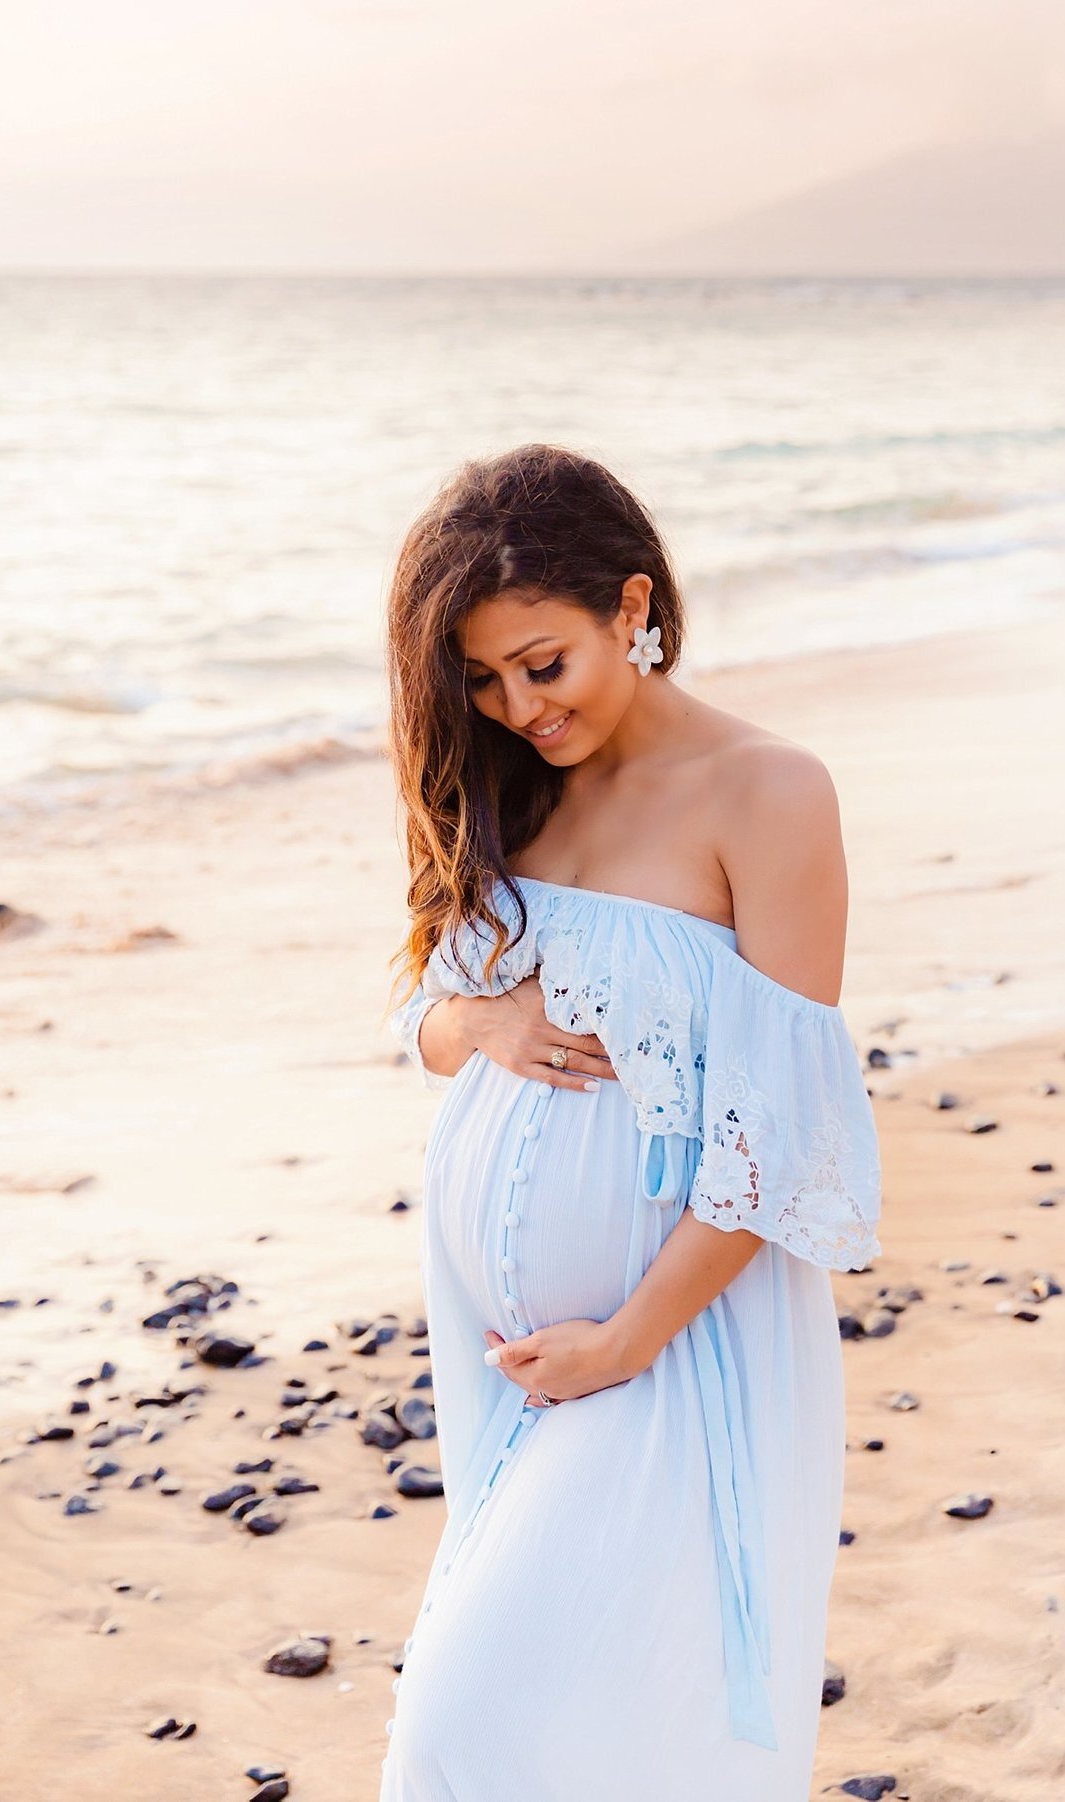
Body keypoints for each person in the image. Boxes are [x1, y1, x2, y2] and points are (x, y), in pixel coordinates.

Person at [376, 442, 883, 1802]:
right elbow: (425, 1020)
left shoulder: (769, 793)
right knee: (554, 1722)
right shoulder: (515, 787)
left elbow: (781, 1131)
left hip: (676, 1337)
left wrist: (628, 1337)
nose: (520, 705)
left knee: (471, 1722)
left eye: (545, 662)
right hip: (512, 1347)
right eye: (482, 679)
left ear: (633, 607)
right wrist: (482, 1022)